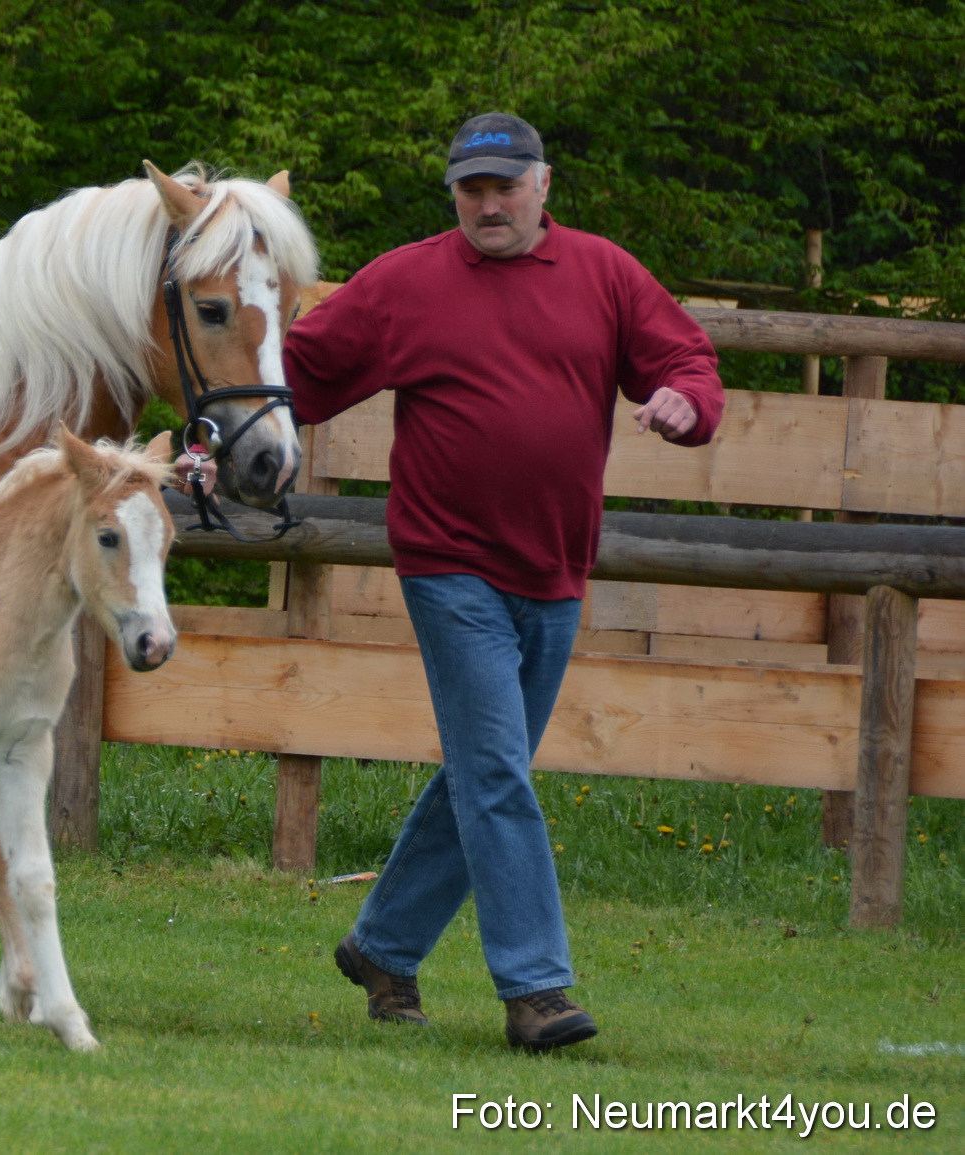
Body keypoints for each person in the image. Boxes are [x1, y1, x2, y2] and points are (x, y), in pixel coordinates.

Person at [186, 113, 725, 1050]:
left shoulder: (604, 274)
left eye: (504, 186)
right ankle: (536, 988)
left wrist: (687, 402)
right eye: (471, 188)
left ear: (542, 186)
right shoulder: (406, 283)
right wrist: (206, 445)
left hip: (556, 569)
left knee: (485, 772)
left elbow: (684, 359)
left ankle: (384, 945)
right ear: (453, 194)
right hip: (447, 565)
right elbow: (286, 378)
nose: (487, 203)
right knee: (496, 772)